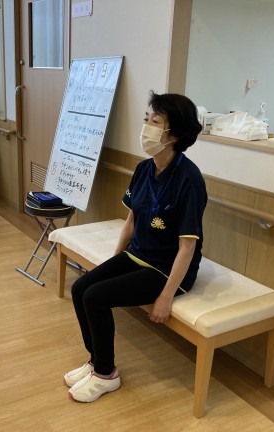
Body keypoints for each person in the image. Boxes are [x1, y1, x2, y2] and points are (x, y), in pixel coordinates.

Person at [65, 91, 207, 402]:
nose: (146, 126)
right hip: (138, 254)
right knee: (81, 288)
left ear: (175, 135)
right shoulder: (144, 169)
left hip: (167, 269)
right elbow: (131, 221)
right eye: (147, 119)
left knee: (96, 297)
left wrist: (166, 297)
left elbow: (187, 247)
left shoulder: (189, 179)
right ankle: (96, 361)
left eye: (156, 121)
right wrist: (113, 264)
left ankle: (106, 374)